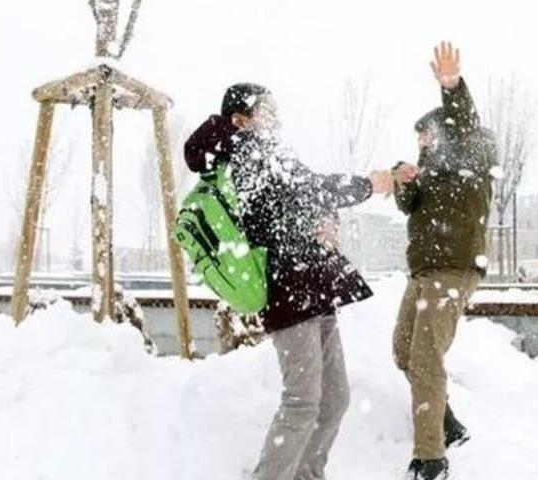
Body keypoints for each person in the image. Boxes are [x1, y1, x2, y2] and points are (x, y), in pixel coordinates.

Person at [184, 83, 394, 480]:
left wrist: (319, 220)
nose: (275, 115)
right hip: (288, 290)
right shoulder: (245, 153)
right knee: (302, 401)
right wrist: (368, 184)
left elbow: (300, 198)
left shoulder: (270, 153)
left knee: (335, 399)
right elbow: (308, 190)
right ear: (241, 119)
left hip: (313, 286)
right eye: (266, 109)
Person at [391, 42, 497, 480]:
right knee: (403, 352)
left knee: (426, 359)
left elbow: (465, 124)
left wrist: (451, 87)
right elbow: (408, 205)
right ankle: (447, 424)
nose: (422, 143)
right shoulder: (429, 171)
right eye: (419, 139)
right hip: (423, 273)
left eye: (426, 136)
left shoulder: (472, 154)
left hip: (453, 271)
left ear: (445, 132)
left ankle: (431, 458)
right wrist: (402, 178)